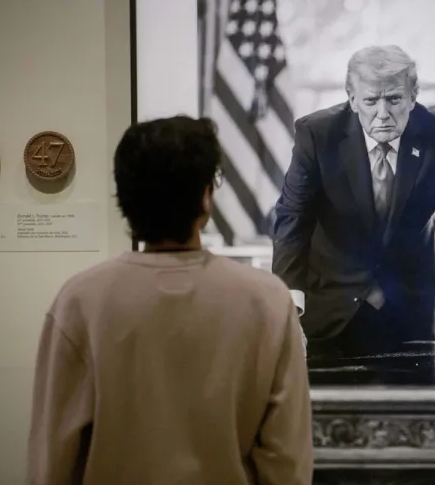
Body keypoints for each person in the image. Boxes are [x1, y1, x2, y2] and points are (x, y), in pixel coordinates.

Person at [26, 116, 313, 484]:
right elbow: (286, 460)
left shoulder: (80, 301)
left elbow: (52, 459)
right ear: (206, 194)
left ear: (124, 195)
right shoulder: (267, 301)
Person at [272, 44, 435, 359]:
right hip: (327, 309)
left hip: (410, 312)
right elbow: (292, 219)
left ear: (413, 95)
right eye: (371, 101)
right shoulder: (317, 134)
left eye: (394, 99)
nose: (383, 114)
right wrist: (288, 312)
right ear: (352, 98)